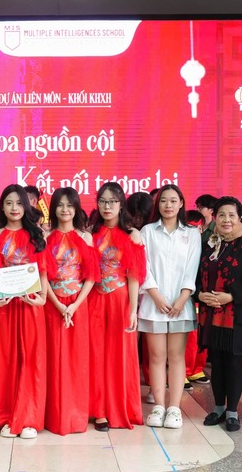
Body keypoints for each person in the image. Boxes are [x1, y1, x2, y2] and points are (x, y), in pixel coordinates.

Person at [0, 184, 48, 439]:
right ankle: (7, 416)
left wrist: (42, 299)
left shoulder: (36, 235)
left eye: (20, 203)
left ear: (27, 206)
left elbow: (43, 272)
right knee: (6, 360)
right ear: (2, 206)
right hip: (5, 308)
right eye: (9, 203)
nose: (14, 208)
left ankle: (29, 418)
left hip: (30, 307)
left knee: (31, 360)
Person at [197, 196, 242, 432]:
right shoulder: (209, 246)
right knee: (216, 363)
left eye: (231, 215)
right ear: (215, 218)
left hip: (237, 317)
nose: (226, 220)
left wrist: (230, 296)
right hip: (211, 315)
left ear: (239, 218)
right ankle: (218, 408)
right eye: (222, 215)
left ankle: (233, 412)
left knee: (234, 364)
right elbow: (197, 276)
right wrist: (200, 294)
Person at [139, 185, 202, 429]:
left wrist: (183, 297)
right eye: (163, 201)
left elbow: (192, 267)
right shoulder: (147, 231)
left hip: (180, 304)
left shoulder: (192, 233)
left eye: (173, 200)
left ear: (181, 203)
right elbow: (143, 266)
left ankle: (174, 408)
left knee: (176, 356)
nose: (168, 205)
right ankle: (158, 406)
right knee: (156, 356)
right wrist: (155, 295)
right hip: (153, 302)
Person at [87, 182, 145, 431]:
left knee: (120, 355)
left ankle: (120, 407)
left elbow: (134, 276)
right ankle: (99, 410)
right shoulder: (90, 233)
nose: (107, 206)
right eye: (102, 201)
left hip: (121, 300)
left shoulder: (132, 235)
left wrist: (133, 310)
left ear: (121, 204)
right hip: (93, 300)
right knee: (96, 354)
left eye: (112, 201)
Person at [44, 187, 98, 435]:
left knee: (77, 360)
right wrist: (58, 304)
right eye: (60, 205)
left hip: (78, 304)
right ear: (53, 208)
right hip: (51, 304)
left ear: (76, 209)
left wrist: (74, 305)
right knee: (53, 358)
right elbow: (42, 276)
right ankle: (54, 416)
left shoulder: (86, 238)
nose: (65, 210)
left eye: (70, 205)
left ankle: (75, 416)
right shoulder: (45, 237)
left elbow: (91, 276)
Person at [184, 209, 210, 385]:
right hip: (187, 297)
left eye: (198, 228)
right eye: (190, 227)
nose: (194, 231)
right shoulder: (180, 247)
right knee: (189, 337)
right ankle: (184, 371)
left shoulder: (208, 247)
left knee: (202, 335)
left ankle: (197, 368)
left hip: (203, 297)